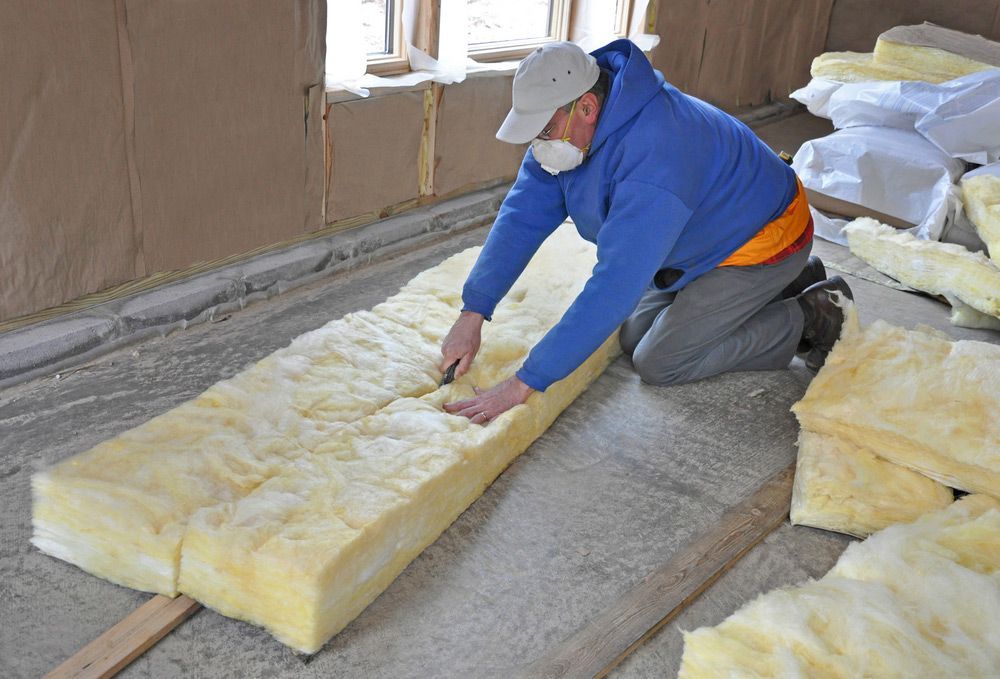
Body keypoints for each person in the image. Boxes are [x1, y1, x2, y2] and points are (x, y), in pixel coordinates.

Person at [441, 39, 852, 426]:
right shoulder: (570, 134)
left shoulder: (657, 155)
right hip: (710, 235)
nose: (539, 144)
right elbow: (522, 216)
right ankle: (780, 286)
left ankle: (812, 315)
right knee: (633, 336)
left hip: (764, 238)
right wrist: (473, 311)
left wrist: (523, 384)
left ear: (586, 106)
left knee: (661, 361)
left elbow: (615, 286)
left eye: (544, 131)